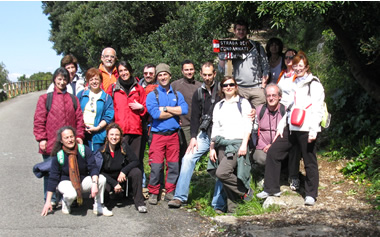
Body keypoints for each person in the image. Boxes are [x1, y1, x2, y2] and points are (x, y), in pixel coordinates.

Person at [257, 51, 325, 206]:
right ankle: (271, 188)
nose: (298, 68)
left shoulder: (314, 84)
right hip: (291, 126)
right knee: (274, 152)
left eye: (300, 65)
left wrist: (314, 130)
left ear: (306, 67)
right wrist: (282, 125)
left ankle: (311, 194)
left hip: (306, 127)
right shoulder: (293, 83)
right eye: (295, 65)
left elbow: (317, 108)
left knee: (309, 161)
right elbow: (288, 107)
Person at [168, 61, 226, 212]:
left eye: (210, 74)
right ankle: (179, 196)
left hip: (222, 135)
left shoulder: (223, 90)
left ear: (214, 74)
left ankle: (218, 203)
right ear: (201, 74)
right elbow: (194, 117)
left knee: (222, 165)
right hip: (205, 134)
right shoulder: (198, 92)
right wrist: (193, 137)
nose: (207, 77)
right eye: (204, 75)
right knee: (187, 158)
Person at [34, 67, 85, 206]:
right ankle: (50, 199)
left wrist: (79, 135)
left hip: (69, 142)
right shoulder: (45, 98)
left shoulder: (73, 99)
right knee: (49, 170)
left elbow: (79, 119)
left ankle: (68, 198)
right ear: (54, 80)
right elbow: (39, 120)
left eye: (64, 79)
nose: (62, 82)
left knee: (70, 169)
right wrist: (41, 138)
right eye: (59, 79)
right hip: (50, 141)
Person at [41, 126, 112, 216]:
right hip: (66, 182)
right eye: (66, 138)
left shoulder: (84, 149)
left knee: (101, 179)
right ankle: (66, 202)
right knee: (71, 194)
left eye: (71, 136)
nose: (70, 140)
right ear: (61, 141)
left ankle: (99, 205)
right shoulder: (59, 155)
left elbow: (93, 167)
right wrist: (48, 202)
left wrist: (94, 183)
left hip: (82, 181)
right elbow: (53, 178)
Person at [209, 76, 253, 213]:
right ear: (221, 88)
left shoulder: (243, 103)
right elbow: (215, 127)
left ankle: (246, 191)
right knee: (227, 176)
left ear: (236, 87)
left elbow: (248, 125)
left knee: (222, 173)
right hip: (221, 144)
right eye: (225, 85)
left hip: (237, 144)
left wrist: (244, 144)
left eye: (231, 84)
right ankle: (233, 209)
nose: (228, 87)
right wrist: (212, 148)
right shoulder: (219, 105)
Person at [146, 63, 188, 205]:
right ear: (157, 77)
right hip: (157, 135)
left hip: (173, 135)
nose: (163, 77)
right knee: (156, 165)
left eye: (165, 74)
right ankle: (153, 192)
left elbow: (184, 109)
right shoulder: (152, 95)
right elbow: (155, 114)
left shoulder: (177, 94)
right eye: (160, 75)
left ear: (170, 76)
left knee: (173, 165)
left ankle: (170, 191)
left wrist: (165, 108)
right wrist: (174, 111)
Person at [106, 61, 147, 180]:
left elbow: (145, 109)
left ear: (130, 71)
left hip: (136, 131)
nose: (124, 73)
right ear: (118, 74)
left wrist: (142, 108)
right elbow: (109, 109)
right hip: (119, 132)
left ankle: (134, 191)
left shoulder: (139, 89)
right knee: (119, 161)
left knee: (135, 162)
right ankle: (119, 190)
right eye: (121, 71)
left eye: (125, 70)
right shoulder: (113, 89)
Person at [94, 123, 147, 213]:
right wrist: (114, 183)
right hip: (108, 179)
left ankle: (139, 203)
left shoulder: (124, 146)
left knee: (136, 171)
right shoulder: (101, 151)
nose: (114, 137)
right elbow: (100, 172)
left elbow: (135, 161)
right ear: (107, 136)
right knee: (102, 183)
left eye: (117, 135)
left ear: (120, 136)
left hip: (122, 178)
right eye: (111, 134)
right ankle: (105, 202)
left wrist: (124, 171)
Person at [218, 20, 269, 109]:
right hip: (239, 89)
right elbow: (221, 69)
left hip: (257, 88)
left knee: (260, 116)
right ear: (234, 31)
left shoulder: (256, 46)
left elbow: (265, 66)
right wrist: (224, 55)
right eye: (239, 29)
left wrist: (263, 86)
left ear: (247, 31)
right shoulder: (230, 46)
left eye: (243, 29)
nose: (241, 32)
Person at [276, 48, 302, 190]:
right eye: (286, 57)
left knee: (294, 143)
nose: (289, 59)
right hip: (279, 111)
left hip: (293, 113)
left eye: (292, 57)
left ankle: (294, 176)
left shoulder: (298, 76)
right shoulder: (282, 74)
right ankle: (281, 171)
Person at [252, 83, 285, 185]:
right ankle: (264, 175)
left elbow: (287, 134)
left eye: (274, 95)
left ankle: (286, 175)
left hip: (280, 147)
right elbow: (255, 132)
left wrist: (274, 146)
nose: (271, 98)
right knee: (260, 158)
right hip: (263, 146)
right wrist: (264, 145)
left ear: (280, 96)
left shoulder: (285, 111)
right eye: (268, 95)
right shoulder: (259, 110)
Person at [77, 68, 114, 151]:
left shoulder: (107, 97)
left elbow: (108, 116)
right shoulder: (81, 94)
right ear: (88, 82)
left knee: (97, 160)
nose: (94, 82)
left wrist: (97, 128)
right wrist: (82, 126)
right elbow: (76, 112)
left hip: (98, 135)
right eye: (91, 79)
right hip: (82, 134)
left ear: (101, 81)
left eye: (96, 79)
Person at [171, 60, 202, 146]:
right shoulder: (175, 85)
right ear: (182, 71)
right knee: (186, 151)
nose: (189, 72)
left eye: (191, 69)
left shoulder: (200, 86)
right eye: (186, 70)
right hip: (183, 125)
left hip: (198, 124)